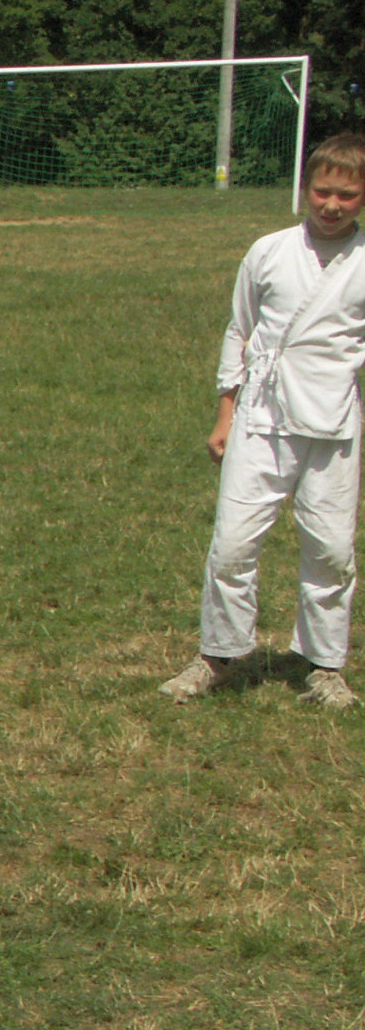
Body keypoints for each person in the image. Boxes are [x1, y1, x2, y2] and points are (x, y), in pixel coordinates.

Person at [161, 131, 365, 711]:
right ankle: (218, 655)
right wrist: (225, 413)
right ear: (305, 188)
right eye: (322, 191)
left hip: (333, 425)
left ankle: (325, 665)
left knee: (331, 551)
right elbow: (241, 330)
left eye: (347, 195)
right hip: (261, 417)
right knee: (231, 546)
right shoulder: (269, 251)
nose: (331, 205)